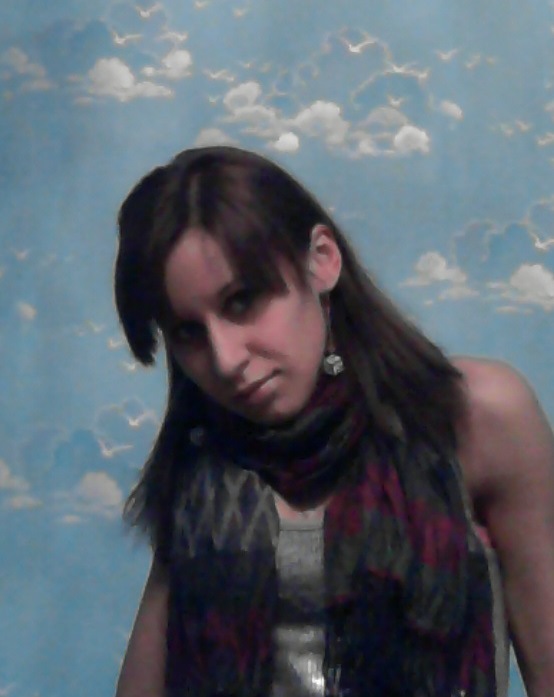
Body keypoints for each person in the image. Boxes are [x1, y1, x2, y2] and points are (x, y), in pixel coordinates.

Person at [113, 146, 554, 697]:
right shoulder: (203, 469)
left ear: (321, 260)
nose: (225, 360)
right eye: (188, 332)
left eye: (242, 301)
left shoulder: (476, 418)